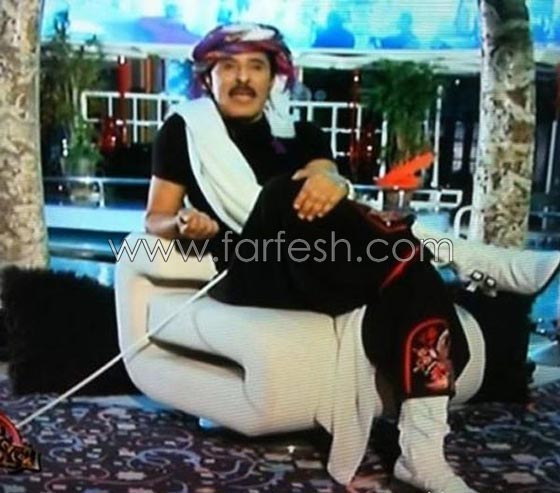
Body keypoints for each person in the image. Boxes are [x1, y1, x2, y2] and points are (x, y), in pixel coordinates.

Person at [146, 22, 551, 493]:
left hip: (322, 265)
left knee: (412, 277)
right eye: (228, 67)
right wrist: (181, 223)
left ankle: (422, 455)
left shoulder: (302, 132)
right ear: (207, 77)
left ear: (274, 76)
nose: (242, 78)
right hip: (252, 267)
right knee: (283, 192)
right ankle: (468, 256)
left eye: (255, 66)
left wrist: (335, 182)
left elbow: (331, 185)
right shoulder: (186, 131)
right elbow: (156, 217)